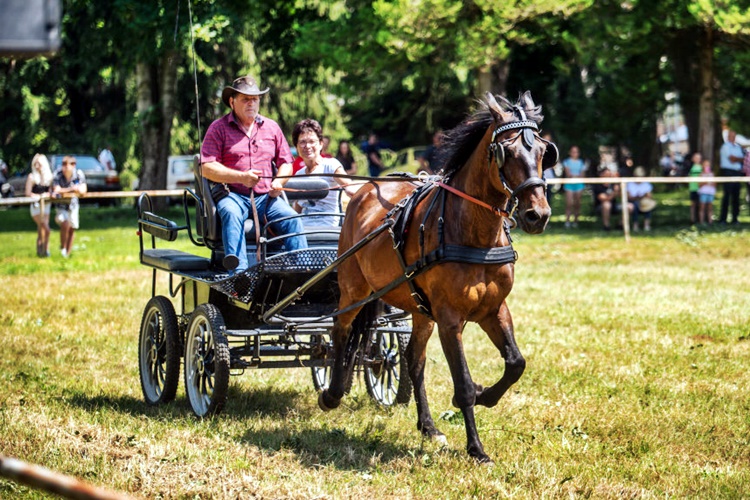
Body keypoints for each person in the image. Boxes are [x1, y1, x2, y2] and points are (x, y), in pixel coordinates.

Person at [200, 75, 307, 274]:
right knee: (231, 214)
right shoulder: (218, 128)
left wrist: (279, 182)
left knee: (292, 218)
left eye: (255, 99)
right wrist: (241, 177)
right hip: (232, 195)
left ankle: (301, 274)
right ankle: (239, 276)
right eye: (245, 99)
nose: (251, 103)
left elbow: (287, 163)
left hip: (266, 198)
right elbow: (207, 167)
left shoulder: (271, 127)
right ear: (232, 102)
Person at [276, 119, 359, 227]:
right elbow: (297, 209)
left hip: (327, 229)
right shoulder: (298, 175)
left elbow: (350, 188)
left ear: (320, 144)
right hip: (303, 230)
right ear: (296, 147)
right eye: (302, 142)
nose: (307, 146)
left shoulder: (331, 165)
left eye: (312, 141)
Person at [52, 155, 87, 258]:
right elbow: (56, 189)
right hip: (61, 205)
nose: (65, 167)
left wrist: (67, 190)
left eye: (67, 164)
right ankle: (63, 248)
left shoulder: (78, 174)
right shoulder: (58, 174)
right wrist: (72, 189)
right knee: (65, 223)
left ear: (73, 165)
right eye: (63, 164)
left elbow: (83, 190)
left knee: (72, 228)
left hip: (73, 205)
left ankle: (67, 254)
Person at [26, 154, 54, 257]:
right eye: (35, 163)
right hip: (36, 206)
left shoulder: (49, 177)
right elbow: (28, 193)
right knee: (46, 228)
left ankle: (42, 250)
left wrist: (47, 195)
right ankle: (45, 250)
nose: (37, 165)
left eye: (39, 163)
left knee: (41, 229)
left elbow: (51, 191)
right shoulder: (32, 177)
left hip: (46, 205)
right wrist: (38, 196)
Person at [718, 129, 744, 225]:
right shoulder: (725, 147)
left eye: (733, 136)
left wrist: (739, 159)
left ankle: (735, 219)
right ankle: (723, 219)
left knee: (736, 196)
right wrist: (740, 159)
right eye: (730, 136)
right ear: (727, 137)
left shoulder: (737, 147)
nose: (732, 138)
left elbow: (742, 159)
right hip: (728, 172)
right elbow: (732, 159)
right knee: (727, 196)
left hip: (737, 173)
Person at [562, 145, 586, 228]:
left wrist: (575, 176)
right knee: (569, 203)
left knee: (577, 204)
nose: (574, 153)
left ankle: (576, 221)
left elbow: (582, 175)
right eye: (573, 151)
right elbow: (568, 174)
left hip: (579, 185)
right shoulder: (566, 162)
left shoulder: (581, 162)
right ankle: (567, 221)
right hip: (569, 185)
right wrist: (576, 176)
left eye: (576, 152)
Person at [592, 166, 620, 231]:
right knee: (606, 204)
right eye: (606, 174)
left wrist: (618, 189)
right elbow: (604, 198)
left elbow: (621, 196)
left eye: (609, 175)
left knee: (629, 206)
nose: (608, 176)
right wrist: (614, 193)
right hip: (600, 206)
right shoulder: (597, 185)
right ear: (601, 175)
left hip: (614, 205)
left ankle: (620, 224)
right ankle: (606, 226)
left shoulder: (613, 184)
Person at [627, 166, 654, 232]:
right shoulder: (629, 184)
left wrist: (643, 197)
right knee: (635, 205)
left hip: (644, 203)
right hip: (633, 202)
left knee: (647, 205)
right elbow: (629, 196)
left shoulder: (647, 184)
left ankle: (646, 225)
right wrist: (639, 197)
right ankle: (635, 225)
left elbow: (650, 196)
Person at [697, 159, 716, 225]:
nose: (706, 166)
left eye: (708, 165)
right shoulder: (701, 174)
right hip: (703, 193)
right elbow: (699, 185)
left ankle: (710, 222)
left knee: (710, 208)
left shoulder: (712, 174)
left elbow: (714, 184)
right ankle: (701, 222)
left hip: (710, 193)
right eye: (705, 165)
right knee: (702, 207)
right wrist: (705, 181)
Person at [687, 152, 703, 225]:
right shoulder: (690, 167)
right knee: (693, 204)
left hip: (701, 188)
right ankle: (692, 220)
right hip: (693, 188)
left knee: (700, 205)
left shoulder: (702, 167)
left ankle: (701, 220)